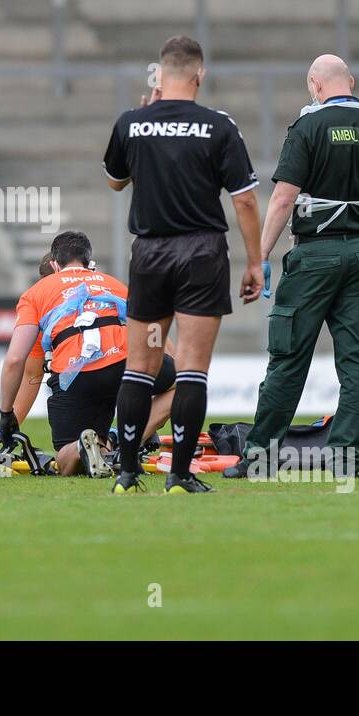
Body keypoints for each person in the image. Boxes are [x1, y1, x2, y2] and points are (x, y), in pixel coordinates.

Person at [224, 54, 359, 480]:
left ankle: (261, 459)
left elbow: (285, 199)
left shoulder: (307, 127)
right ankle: (347, 460)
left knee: (288, 359)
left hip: (314, 258)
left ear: (314, 84)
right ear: (351, 82)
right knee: (355, 363)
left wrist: (260, 257)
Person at [102, 35, 265, 494]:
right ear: (200, 75)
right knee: (192, 369)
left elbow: (116, 182)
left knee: (140, 366)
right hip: (201, 253)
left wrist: (143, 121)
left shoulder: (132, 123)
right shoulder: (218, 126)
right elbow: (247, 201)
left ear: (159, 74)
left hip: (150, 254)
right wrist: (254, 262)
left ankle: (128, 473)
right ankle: (178, 476)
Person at [0, 230, 178, 478]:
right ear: (89, 262)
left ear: (53, 265)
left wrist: (7, 417)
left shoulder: (38, 293)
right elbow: (156, 330)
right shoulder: (112, 283)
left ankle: (84, 446)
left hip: (75, 375)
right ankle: (122, 442)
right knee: (183, 383)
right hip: (126, 363)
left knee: (66, 458)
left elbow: (21, 365)